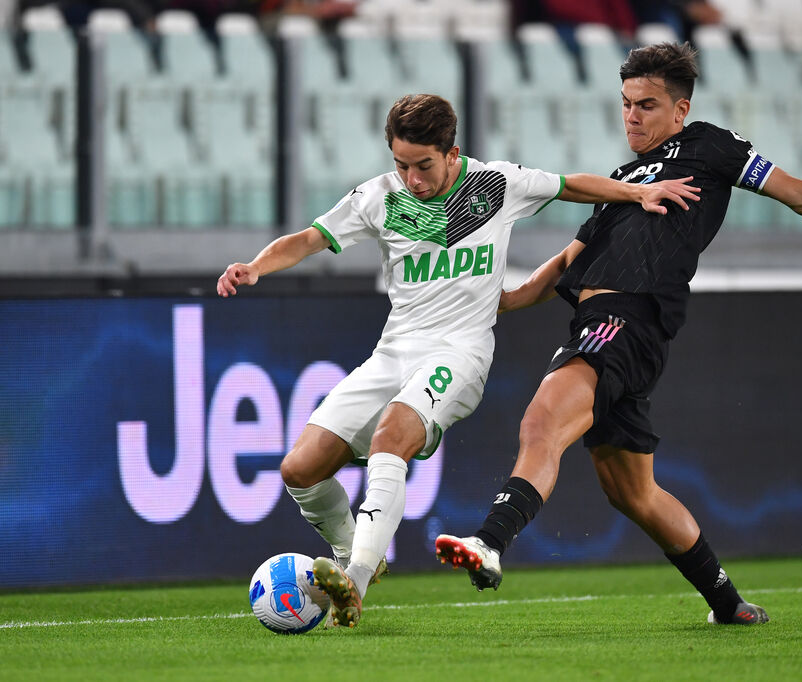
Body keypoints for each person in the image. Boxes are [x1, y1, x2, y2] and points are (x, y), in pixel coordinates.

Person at [434, 42, 802, 626]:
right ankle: (728, 604)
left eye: (648, 106)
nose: (632, 116)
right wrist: (492, 303)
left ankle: (490, 541)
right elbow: (563, 263)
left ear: (681, 110)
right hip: (601, 324)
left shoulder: (710, 146)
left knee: (541, 422)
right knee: (632, 493)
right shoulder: (624, 180)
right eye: (626, 104)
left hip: (628, 320)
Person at [216, 93, 699, 629]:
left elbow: (571, 185)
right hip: (393, 351)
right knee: (300, 468)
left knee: (391, 436)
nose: (412, 178)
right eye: (401, 164)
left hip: (461, 353)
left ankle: (353, 580)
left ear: (452, 153)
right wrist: (256, 267)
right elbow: (310, 238)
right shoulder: (379, 197)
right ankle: (356, 555)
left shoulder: (496, 184)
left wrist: (640, 191)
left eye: (423, 165)